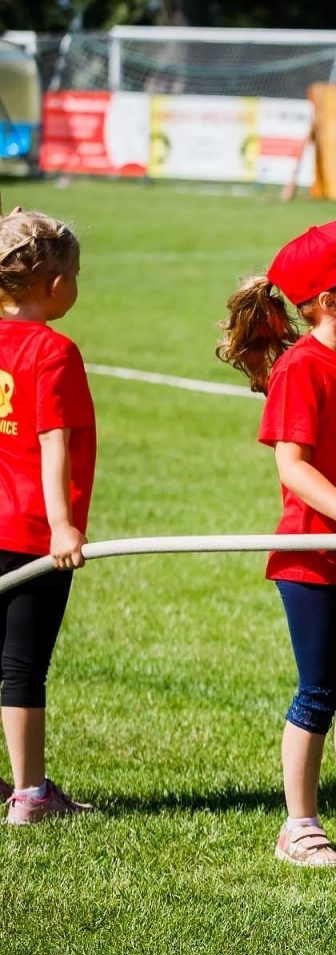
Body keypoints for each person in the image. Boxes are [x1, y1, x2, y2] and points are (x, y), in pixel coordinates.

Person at [216, 218, 336, 866]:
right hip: (313, 559)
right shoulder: (302, 368)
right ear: (327, 303)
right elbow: (293, 466)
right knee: (318, 689)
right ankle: (299, 822)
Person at [0, 209, 93, 825]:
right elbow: (53, 438)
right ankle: (30, 794)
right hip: (32, 532)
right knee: (22, 665)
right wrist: (62, 526)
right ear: (54, 286)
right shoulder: (52, 350)